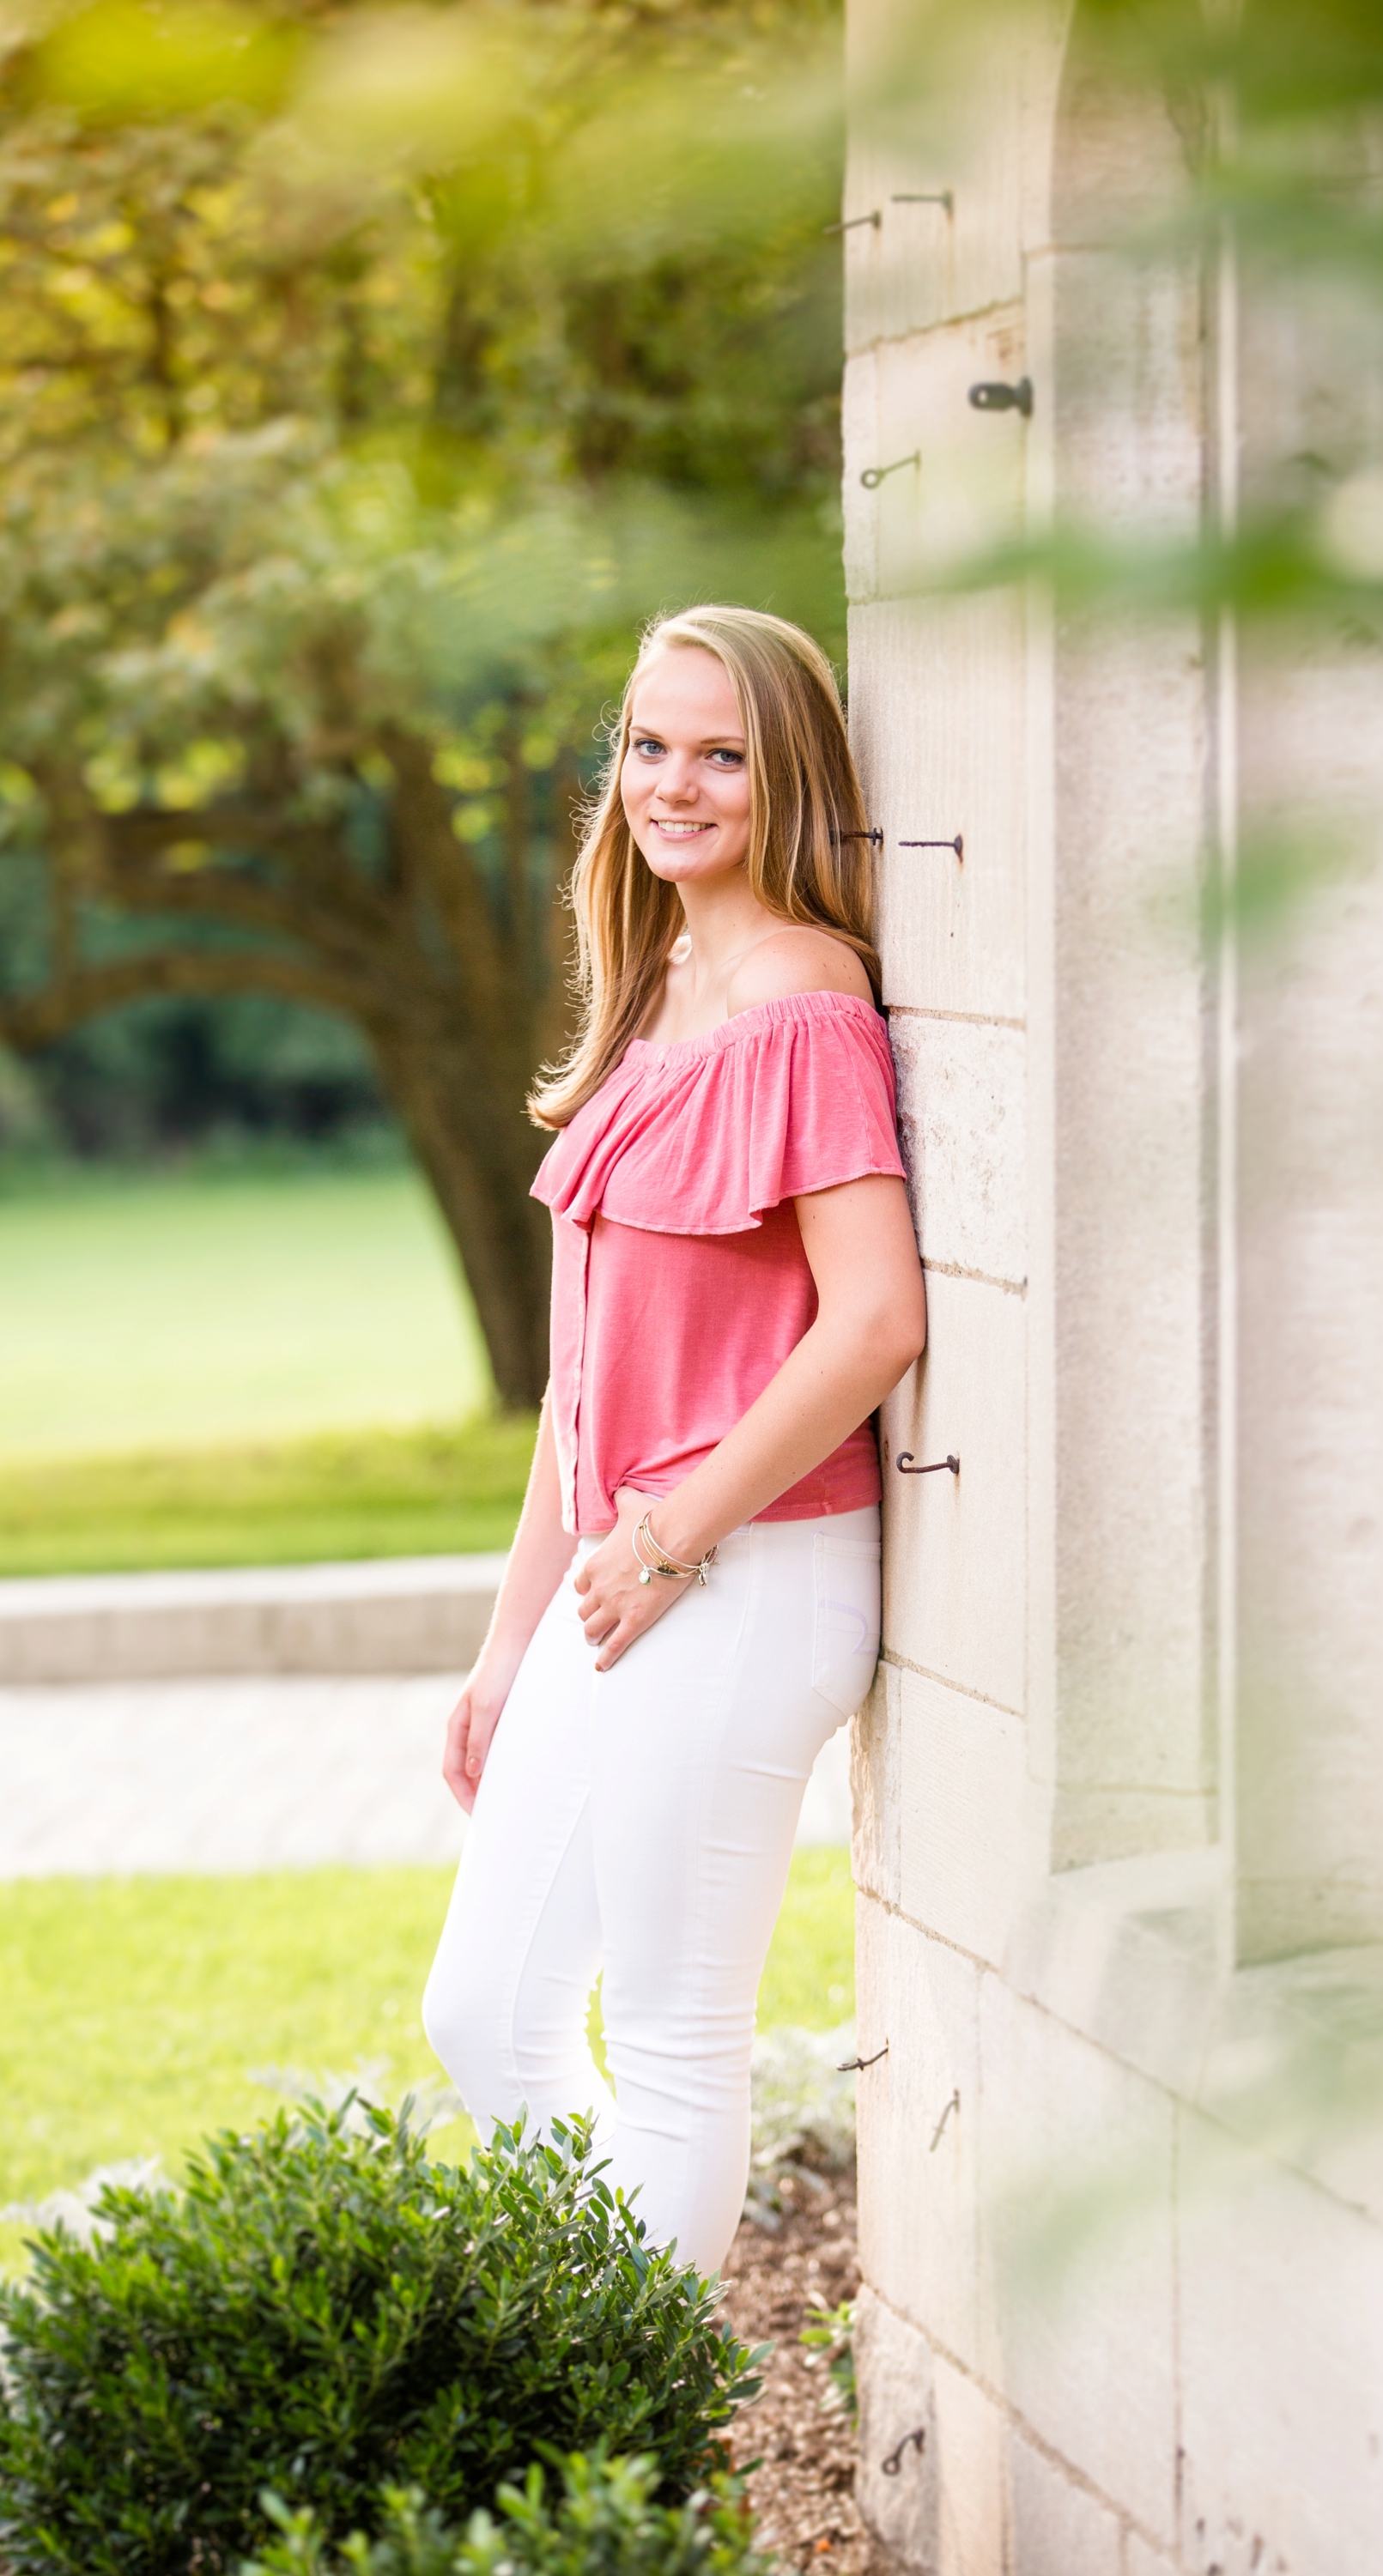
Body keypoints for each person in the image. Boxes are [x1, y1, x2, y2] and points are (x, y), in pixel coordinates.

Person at [421, 603, 925, 2277]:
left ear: (785, 778)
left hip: (751, 1569)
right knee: (484, 2011)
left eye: (720, 752)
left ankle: (642, 2428)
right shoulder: (656, 992)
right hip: (625, 1570)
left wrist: (670, 1536)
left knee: (672, 2033)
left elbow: (872, 1320)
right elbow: (580, 1396)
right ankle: (621, 2352)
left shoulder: (805, 1003)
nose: (673, 782)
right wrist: (506, 1650)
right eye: (647, 744)